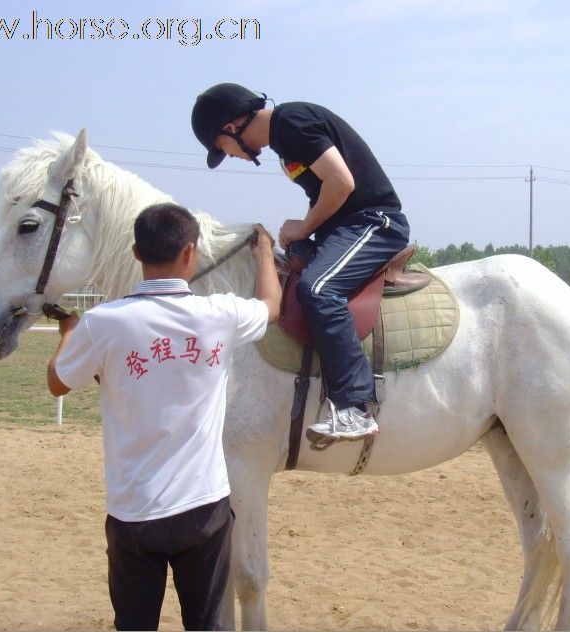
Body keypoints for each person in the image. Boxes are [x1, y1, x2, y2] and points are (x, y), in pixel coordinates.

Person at [46, 203, 280, 631]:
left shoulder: (102, 324)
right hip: (204, 511)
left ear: (136, 253)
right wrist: (264, 251)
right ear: (190, 253)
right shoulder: (220, 315)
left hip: (133, 513)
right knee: (206, 623)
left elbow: (58, 383)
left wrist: (68, 337)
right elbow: (270, 305)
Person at [190, 83, 410, 443]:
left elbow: (341, 182)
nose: (227, 154)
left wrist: (304, 226)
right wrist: (302, 233)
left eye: (221, 147)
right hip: (343, 228)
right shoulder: (283, 140)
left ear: (230, 127)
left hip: (374, 222)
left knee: (318, 290)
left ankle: (355, 406)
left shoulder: (292, 121)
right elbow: (325, 192)